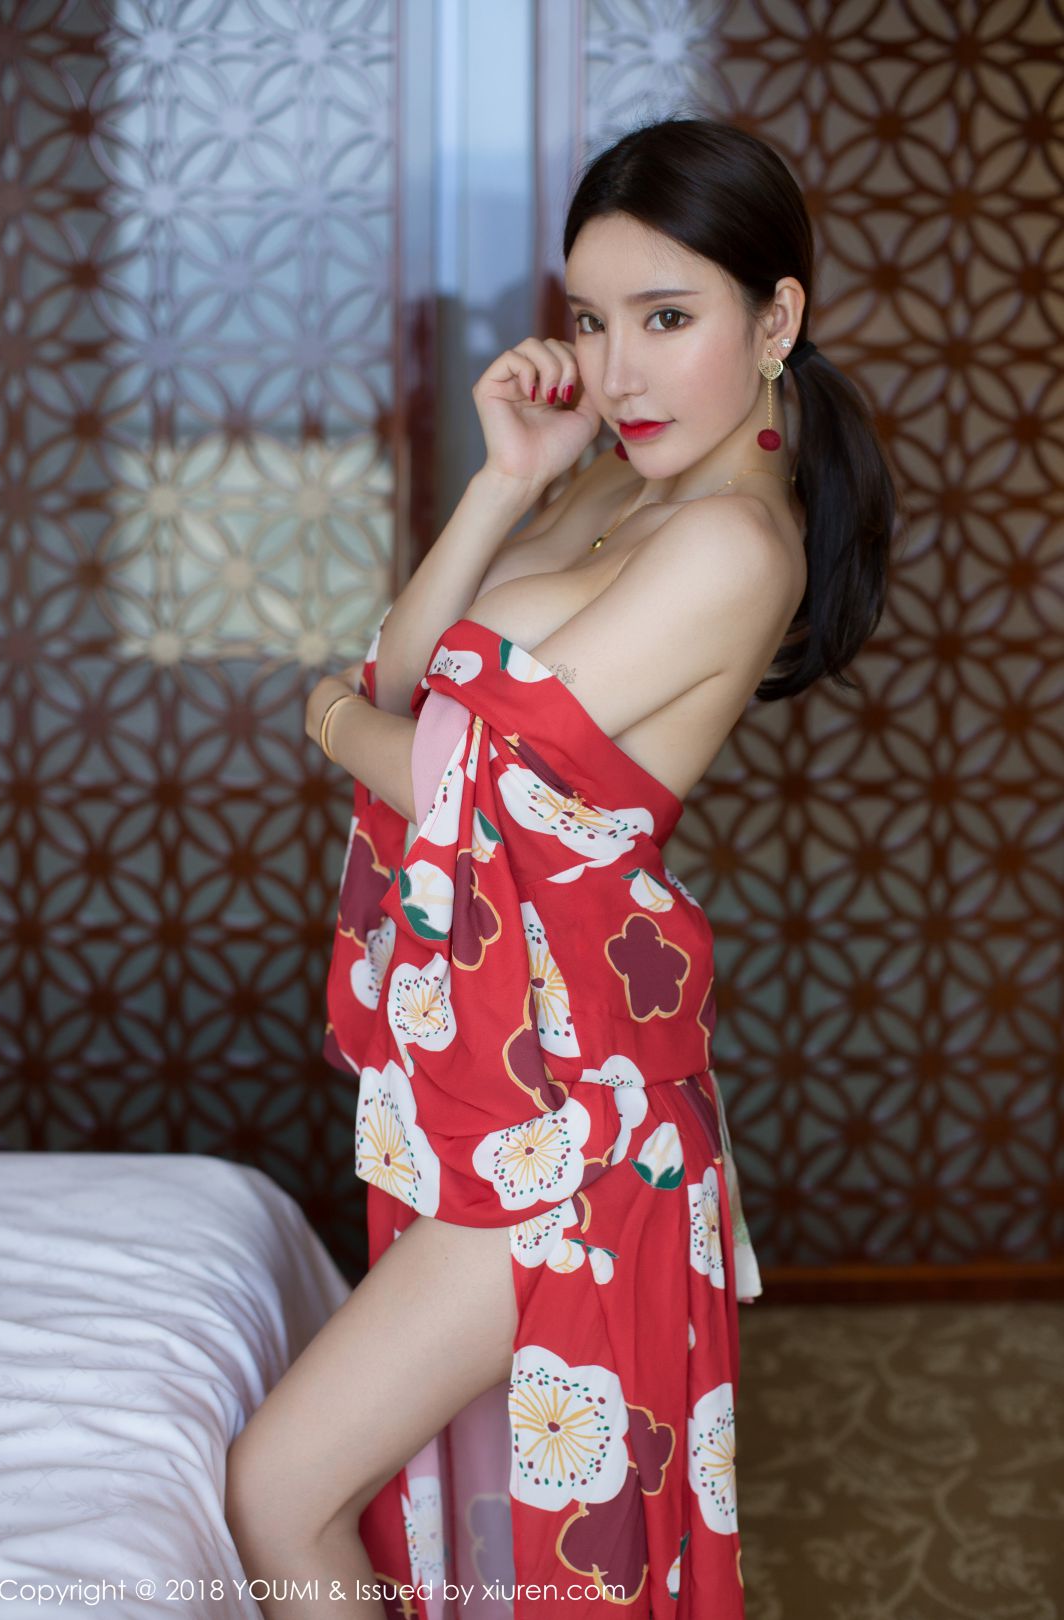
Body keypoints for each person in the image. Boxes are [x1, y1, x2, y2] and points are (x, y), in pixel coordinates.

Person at [224, 114, 898, 1620]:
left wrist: (325, 717)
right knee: (433, 1524)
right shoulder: (612, 486)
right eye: (591, 321)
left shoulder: (734, 544)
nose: (619, 370)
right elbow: (412, 684)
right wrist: (505, 480)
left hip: (579, 1124)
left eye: (667, 317)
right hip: (499, 1074)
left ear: (774, 318)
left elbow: (455, 776)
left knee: (282, 1487)